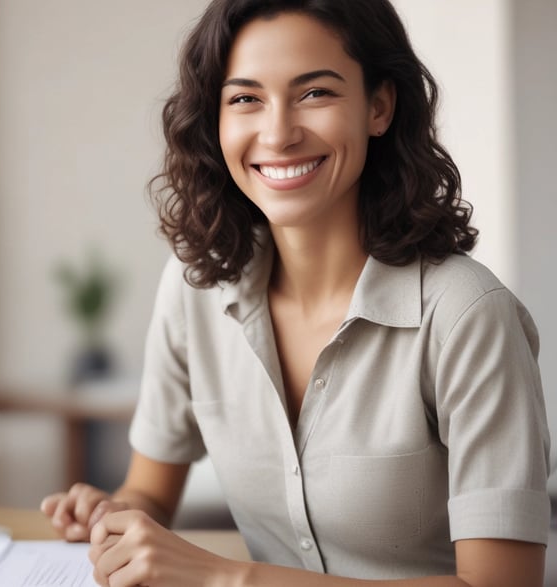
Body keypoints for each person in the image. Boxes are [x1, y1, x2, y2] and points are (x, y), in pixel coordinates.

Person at [41, 0, 551, 585]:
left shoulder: (466, 315)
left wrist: (227, 578)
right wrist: (115, 518)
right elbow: (148, 492)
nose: (278, 133)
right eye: (245, 99)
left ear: (379, 106)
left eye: (315, 93)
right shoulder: (194, 288)